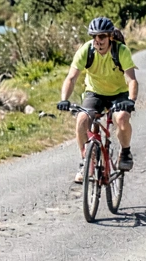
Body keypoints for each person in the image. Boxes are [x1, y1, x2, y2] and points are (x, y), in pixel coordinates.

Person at [57, 17, 140, 183]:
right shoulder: (86, 51)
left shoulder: (121, 51)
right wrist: (64, 99)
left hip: (119, 94)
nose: (97, 40)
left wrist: (131, 100)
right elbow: (71, 78)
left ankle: (125, 152)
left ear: (110, 37)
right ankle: (85, 161)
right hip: (95, 93)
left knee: (122, 118)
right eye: (94, 36)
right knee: (82, 119)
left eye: (101, 37)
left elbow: (131, 80)